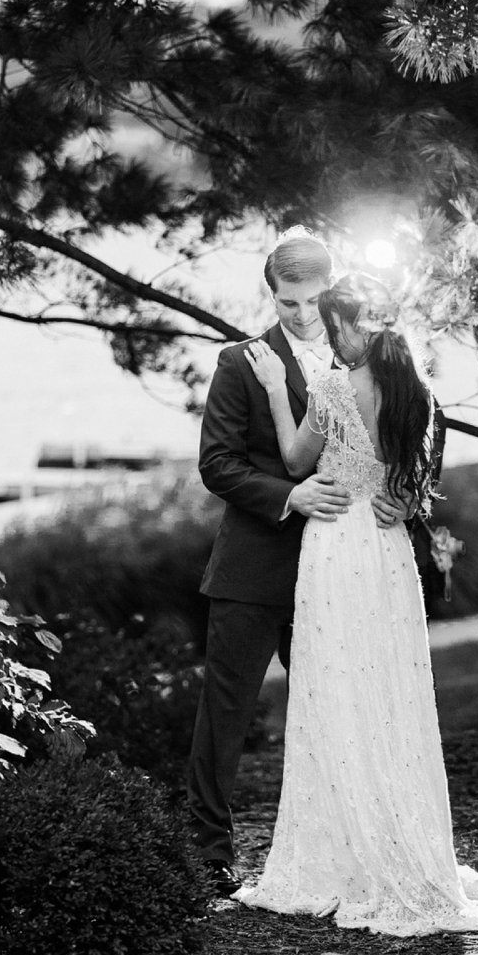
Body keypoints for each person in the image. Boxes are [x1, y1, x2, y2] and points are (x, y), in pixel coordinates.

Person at [234, 272, 478, 934]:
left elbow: (292, 460)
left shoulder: (337, 387)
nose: (327, 335)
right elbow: (415, 473)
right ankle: (398, 834)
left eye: (331, 323)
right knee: (390, 696)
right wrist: (406, 492)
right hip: (387, 548)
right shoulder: (416, 389)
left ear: (350, 326)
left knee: (335, 689)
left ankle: (346, 848)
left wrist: (269, 389)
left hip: (338, 548)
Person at [187, 230, 416, 898]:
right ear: (272, 294)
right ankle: (207, 856)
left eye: (312, 300)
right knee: (226, 712)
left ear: (332, 289)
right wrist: (289, 494)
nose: (301, 314)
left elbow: (416, 425)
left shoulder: (375, 353)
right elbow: (218, 463)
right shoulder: (242, 361)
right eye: (288, 302)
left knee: (341, 713)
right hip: (256, 568)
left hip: (344, 573)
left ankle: (350, 852)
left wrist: (405, 496)